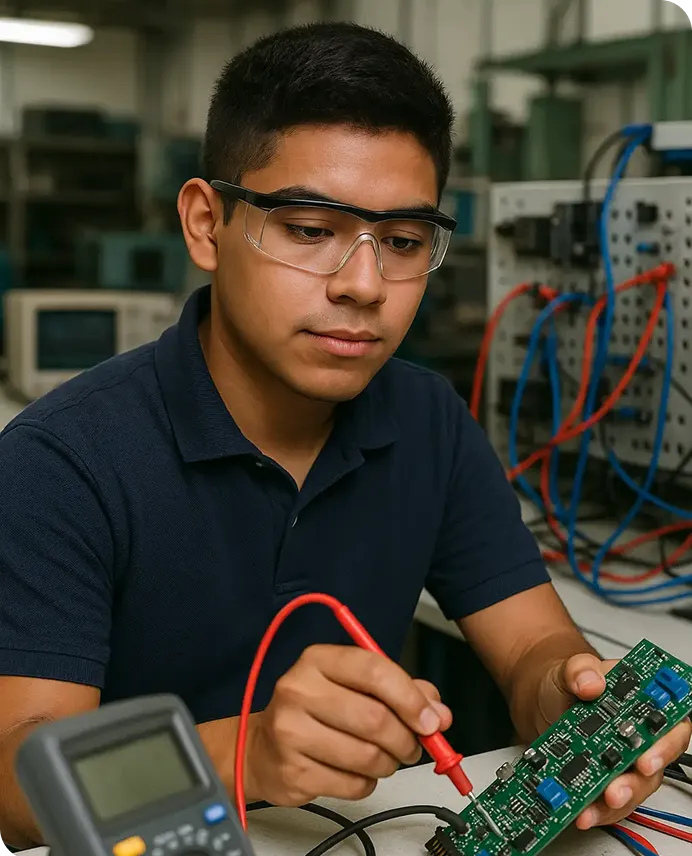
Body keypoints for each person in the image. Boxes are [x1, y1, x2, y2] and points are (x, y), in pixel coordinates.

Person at [0, 21, 688, 848]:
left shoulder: (428, 421)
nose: (364, 284)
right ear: (206, 223)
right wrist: (246, 753)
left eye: (402, 242)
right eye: (308, 229)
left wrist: (573, 700)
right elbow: (14, 777)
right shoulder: (63, 459)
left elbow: (535, 643)